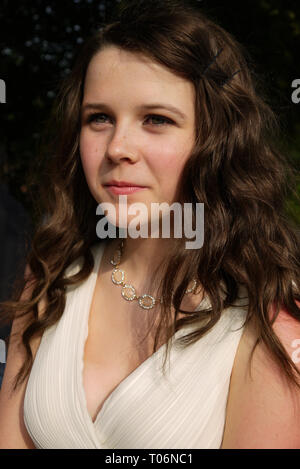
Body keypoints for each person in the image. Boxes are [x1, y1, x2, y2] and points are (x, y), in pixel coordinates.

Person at [0, 0, 299, 449]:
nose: (118, 146)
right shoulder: (49, 277)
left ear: (216, 140)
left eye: (156, 120)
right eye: (98, 118)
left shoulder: (269, 314)